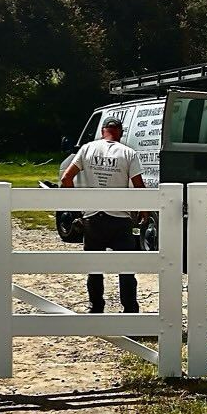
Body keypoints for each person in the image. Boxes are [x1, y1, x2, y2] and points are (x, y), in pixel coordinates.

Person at [60, 116, 145, 314]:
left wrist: (77, 208)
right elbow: (139, 185)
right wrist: (144, 209)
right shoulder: (128, 153)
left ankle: (96, 307)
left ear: (102, 131)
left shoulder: (87, 149)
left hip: (93, 218)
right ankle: (130, 310)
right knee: (126, 269)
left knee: (95, 267)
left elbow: (66, 178)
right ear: (121, 133)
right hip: (120, 218)